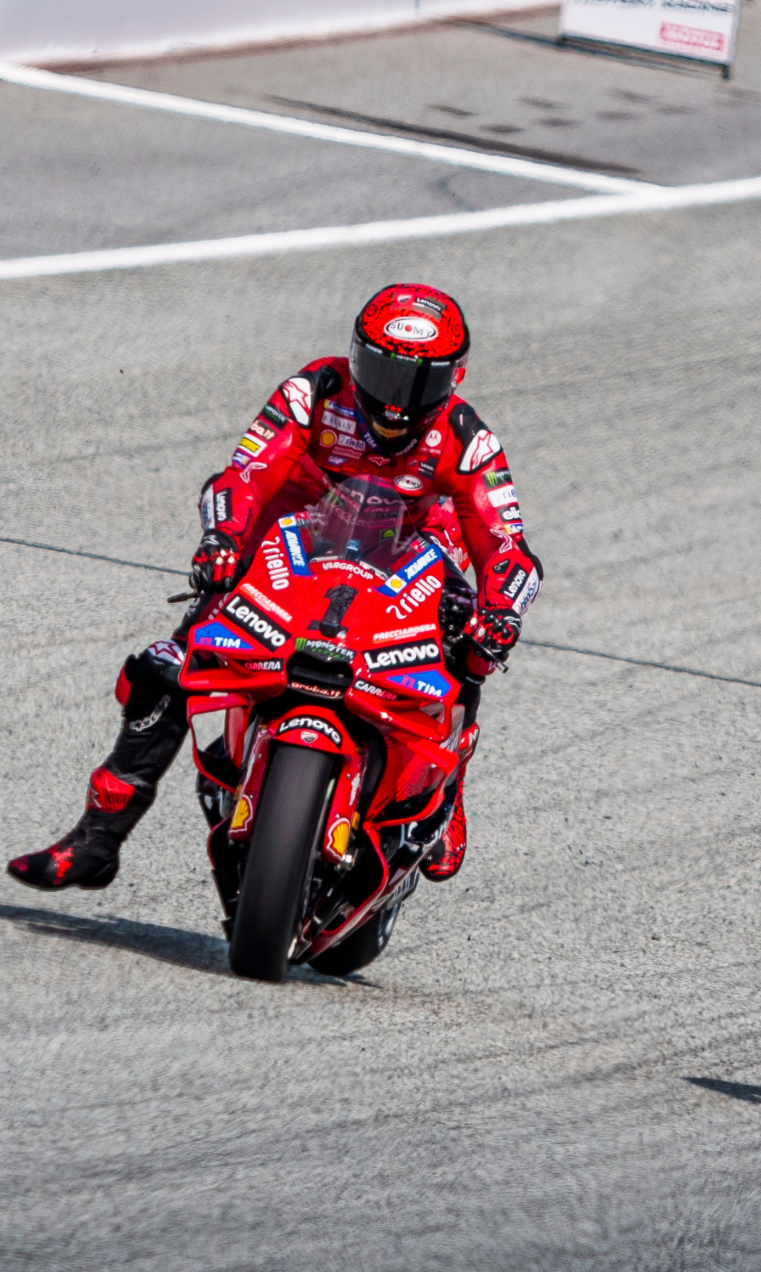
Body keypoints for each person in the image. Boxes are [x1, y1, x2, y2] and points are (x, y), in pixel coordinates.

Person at [9, 284, 542, 893]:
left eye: (415, 384)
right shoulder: (312, 392)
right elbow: (244, 474)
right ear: (353, 355)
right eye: (382, 373)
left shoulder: (469, 437)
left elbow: (507, 543)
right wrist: (222, 540)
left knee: (471, 635)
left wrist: (502, 609)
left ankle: (447, 790)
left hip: (409, 552)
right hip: (293, 541)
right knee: (167, 666)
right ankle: (96, 841)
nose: (395, 404)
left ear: (454, 379)